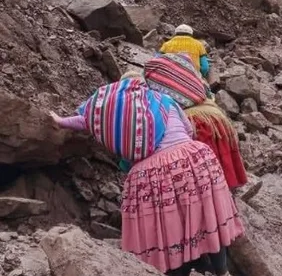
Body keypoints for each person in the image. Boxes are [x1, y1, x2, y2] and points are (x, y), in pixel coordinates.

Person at [50, 73, 243, 276]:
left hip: (148, 174)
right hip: (193, 159)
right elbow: (188, 129)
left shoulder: (113, 111)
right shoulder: (163, 100)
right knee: (207, 215)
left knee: (168, 229)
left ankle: (175, 269)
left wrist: (60, 121)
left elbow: (84, 121)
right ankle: (221, 271)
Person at [143, 54, 247, 190]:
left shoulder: (157, 70)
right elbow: (204, 67)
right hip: (214, 114)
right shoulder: (186, 64)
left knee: (207, 176)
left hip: (197, 123)